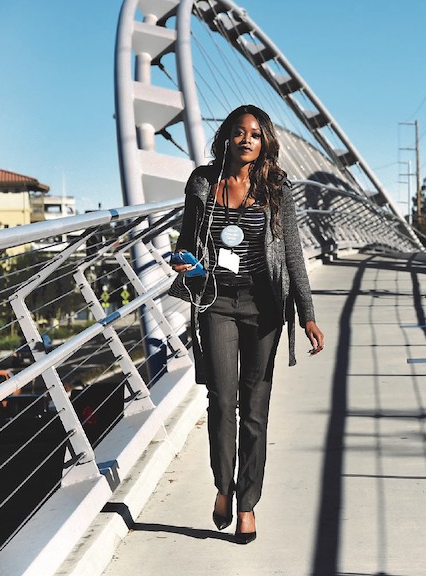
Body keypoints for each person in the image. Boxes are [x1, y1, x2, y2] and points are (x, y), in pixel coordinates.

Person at [171, 104, 325, 544]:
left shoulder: (276, 186)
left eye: (254, 134)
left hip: (264, 310)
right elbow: (186, 242)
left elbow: (292, 253)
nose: (246, 139)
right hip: (216, 301)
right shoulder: (202, 182)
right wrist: (184, 264)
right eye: (239, 132)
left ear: (264, 142)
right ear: (226, 137)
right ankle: (222, 486)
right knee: (222, 401)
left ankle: (246, 504)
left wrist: (307, 314)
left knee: (254, 410)